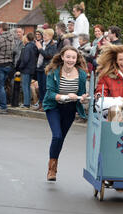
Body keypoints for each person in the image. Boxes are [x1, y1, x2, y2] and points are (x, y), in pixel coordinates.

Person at [43, 46, 89, 181]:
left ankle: (54, 165)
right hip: (54, 107)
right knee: (57, 136)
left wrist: (82, 97)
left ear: (76, 59)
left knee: (61, 138)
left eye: (73, 57)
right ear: (62, 57)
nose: (70, 60)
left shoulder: (81, 74)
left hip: (70, 109)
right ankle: (51, 169)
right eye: (68, 57)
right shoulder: (53, 72)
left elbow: (80, 94)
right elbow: (50, 93)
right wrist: (65, 96)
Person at [35, 28, 57, 112]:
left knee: (45, 87)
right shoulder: (42, 43)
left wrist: (40, 49)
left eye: (46, 35)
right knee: (40, 87)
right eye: (43, 35)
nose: (44, 36)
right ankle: (40, 103)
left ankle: (45, 104)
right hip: (39, 67)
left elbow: (48, 55)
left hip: (46, 68)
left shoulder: (53, 45)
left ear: (50, 36)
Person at [17, 33, 38, 109]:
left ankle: (26, 103)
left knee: (25, 86)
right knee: (28, 86)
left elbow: (25, 59)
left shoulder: (27, 47)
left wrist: (20, 67)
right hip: (32, 69)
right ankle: (28, 102)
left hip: (26, 69)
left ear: (27, 38)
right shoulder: (35, 46)